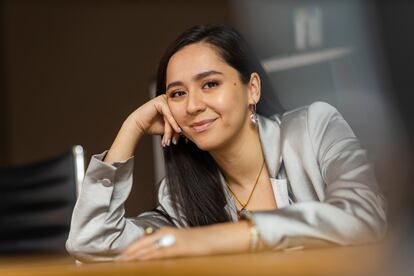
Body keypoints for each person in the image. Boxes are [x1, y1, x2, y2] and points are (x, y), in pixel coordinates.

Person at [66, 25, 387, 262]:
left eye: (210, 84)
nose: (192, 105)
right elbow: (91, 241)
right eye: (177, 93)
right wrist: (131, 126)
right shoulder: (180, 197)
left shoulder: (314, 127)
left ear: (253, 90)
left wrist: (224, 238)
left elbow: (366, 216)